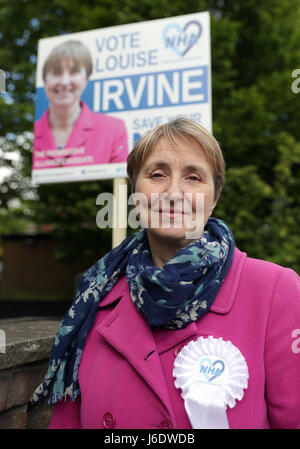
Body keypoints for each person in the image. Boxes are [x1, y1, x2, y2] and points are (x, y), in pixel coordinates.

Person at [31, 118, 300, 429]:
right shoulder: (95, 295)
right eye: (157, 175)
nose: (173, 192)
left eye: (193, 177)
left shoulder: (276, 291)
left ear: (213, 199)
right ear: (135, 193)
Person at [33, 40, 128, 169]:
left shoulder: (113, 129)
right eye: (56, 72)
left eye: (74, 71)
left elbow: (121, 186)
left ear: (86, 78)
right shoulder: (33, 131)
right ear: (45, 79)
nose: (65, 81)